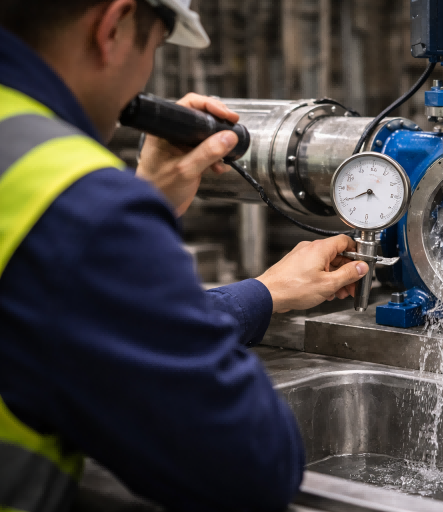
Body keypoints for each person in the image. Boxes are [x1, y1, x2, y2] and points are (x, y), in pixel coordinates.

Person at [0, 0, 369, 510]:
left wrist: (264, 293)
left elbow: (73, 318)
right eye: (152, 48)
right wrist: (130, 220)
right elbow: (252, 464)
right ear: (113, 27)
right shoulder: (78, 208)